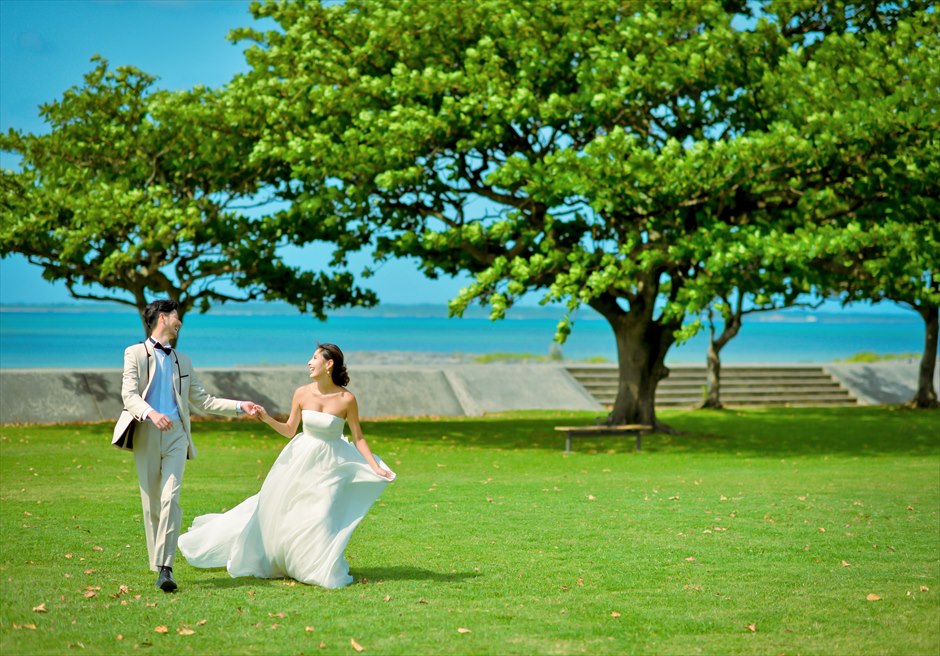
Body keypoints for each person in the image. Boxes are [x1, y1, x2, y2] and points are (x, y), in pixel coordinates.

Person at [178, 343, 395, 589]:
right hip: (301, 460)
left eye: (314, 358)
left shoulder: (347, 399)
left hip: (332, 464)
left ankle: (318, 567)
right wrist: (266, 418)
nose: (309, 362)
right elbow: (290, 430)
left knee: (322, 514)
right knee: (287, 511)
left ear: (329, 364)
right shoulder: (302, 393)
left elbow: (359, 437)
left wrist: (375, 467)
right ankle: (290, 561)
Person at [112, 299, 261, 593]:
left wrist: (240, 406)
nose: (180, 322)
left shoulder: (184, 360)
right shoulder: (134, 354)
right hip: (146, 431)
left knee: (171, 498)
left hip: (178, 435)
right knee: (152, 503)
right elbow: (129, 395)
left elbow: (204, 400)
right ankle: (158, 563)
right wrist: (151, 414)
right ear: (163, 318)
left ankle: (165, 569)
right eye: (176, 317)